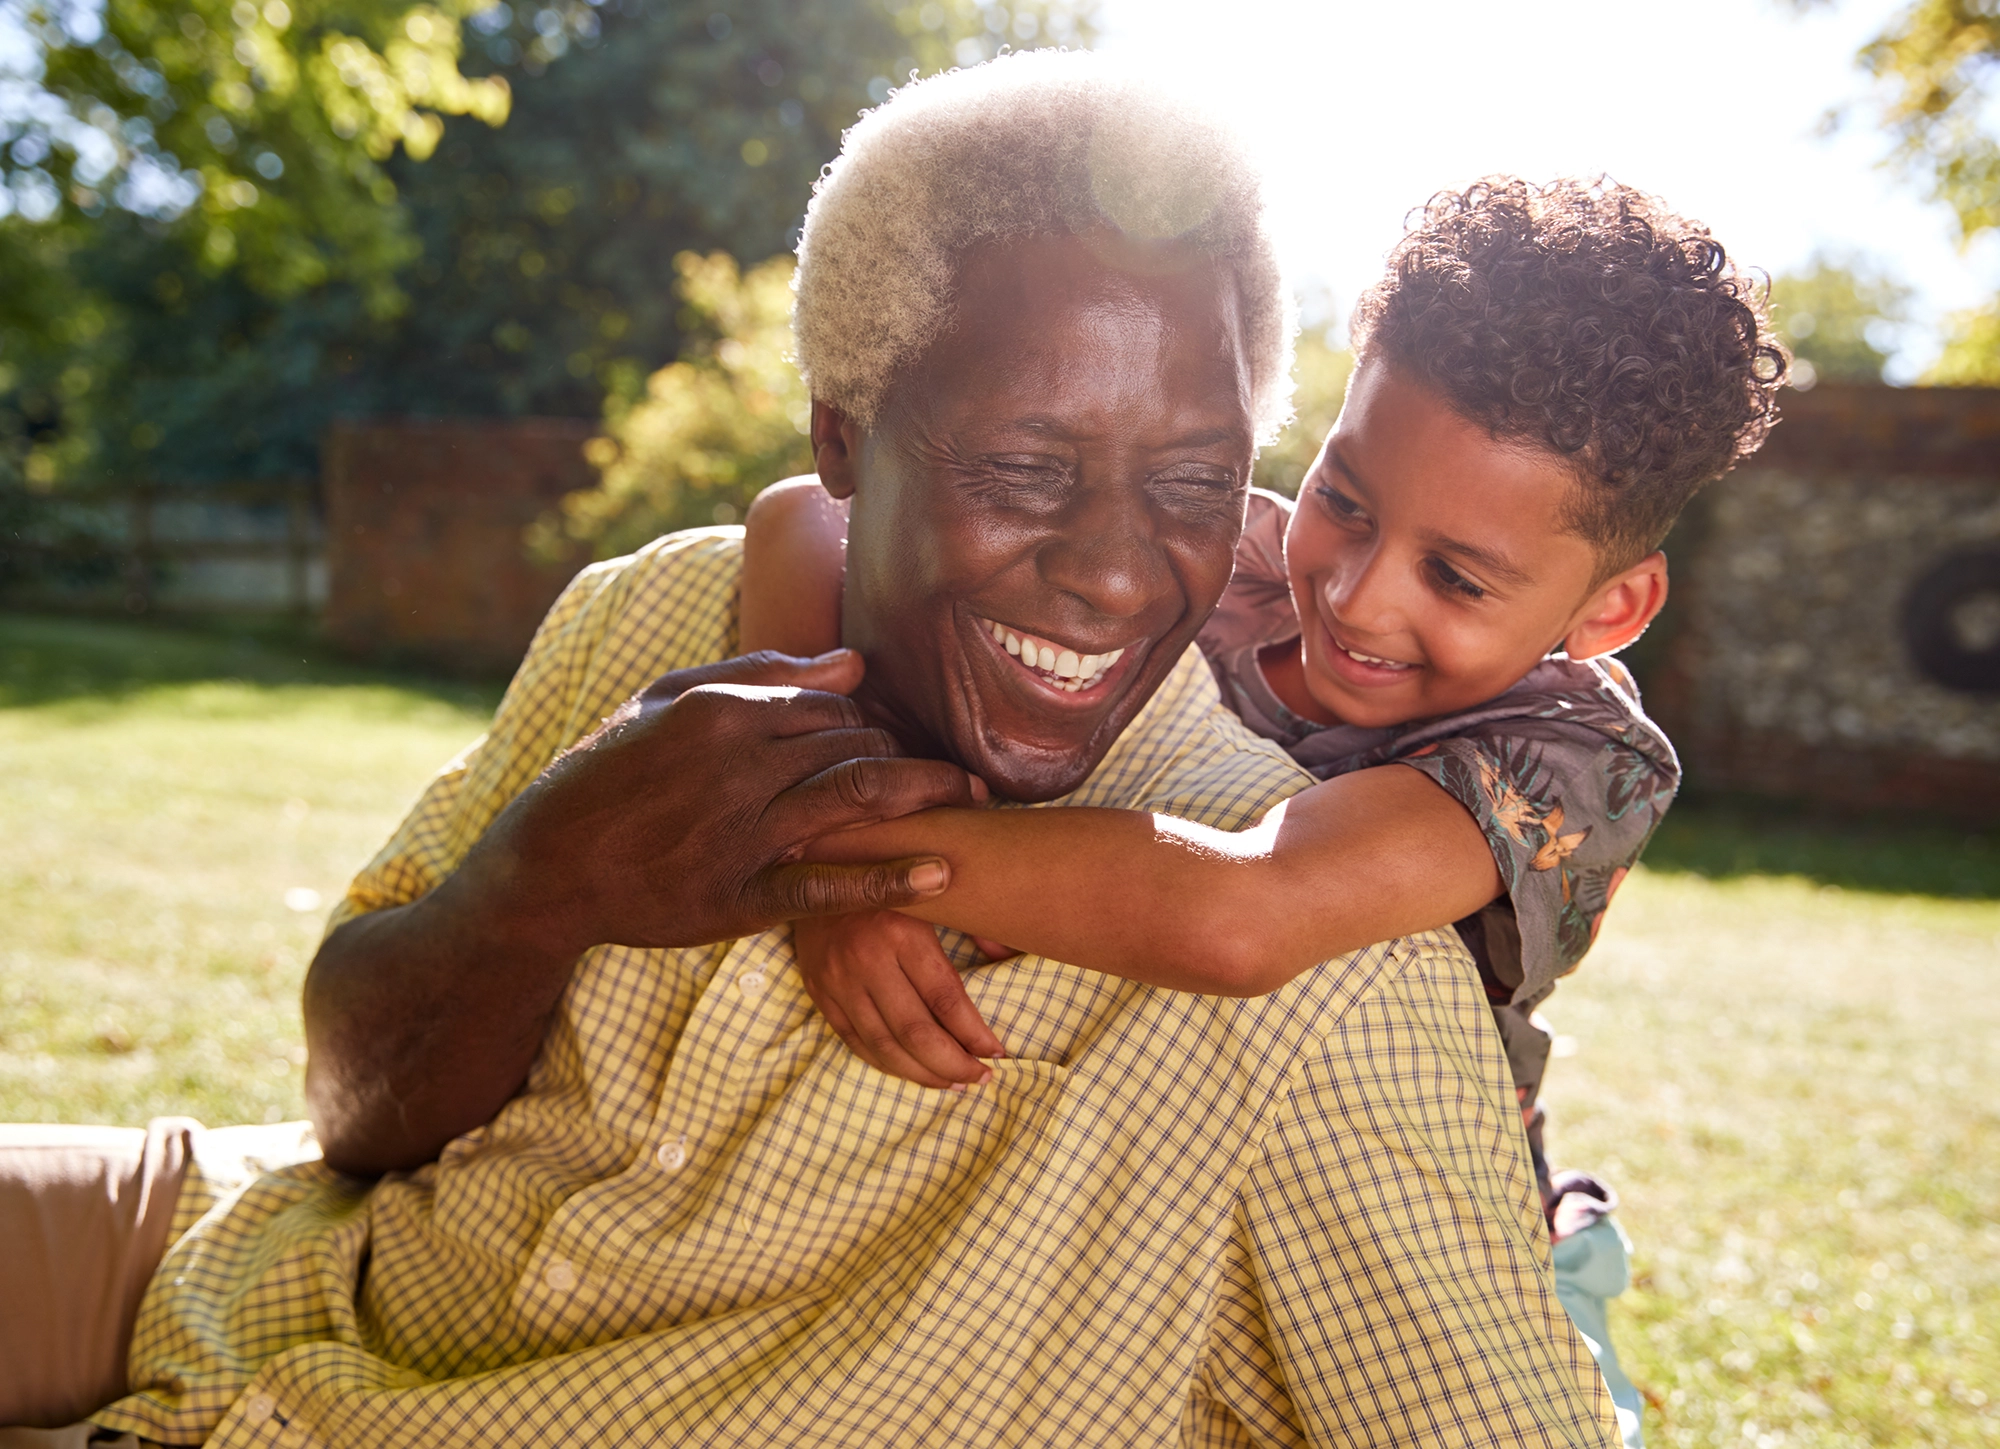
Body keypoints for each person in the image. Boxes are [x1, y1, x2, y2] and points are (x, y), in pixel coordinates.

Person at [0, 54, 1620, 1447]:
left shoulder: (1321, 981)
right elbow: (353, 1108)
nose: (1125, 572)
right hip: (265, 1256)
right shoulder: (656, 619)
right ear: (847, 437)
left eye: (1195, 482)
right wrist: (539, 882)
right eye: (1026, 464)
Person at [737, 178, 1788, 1449]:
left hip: (1417, 1224)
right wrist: (804, 797)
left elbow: (1243, 910)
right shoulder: (1220, 556)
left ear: (1609, 610)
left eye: (1453, 576)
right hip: (1157, 1153)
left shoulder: (1573, 760)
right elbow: (801, 519)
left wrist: (840, 859)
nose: (1354, 592)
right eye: (1344, 497)